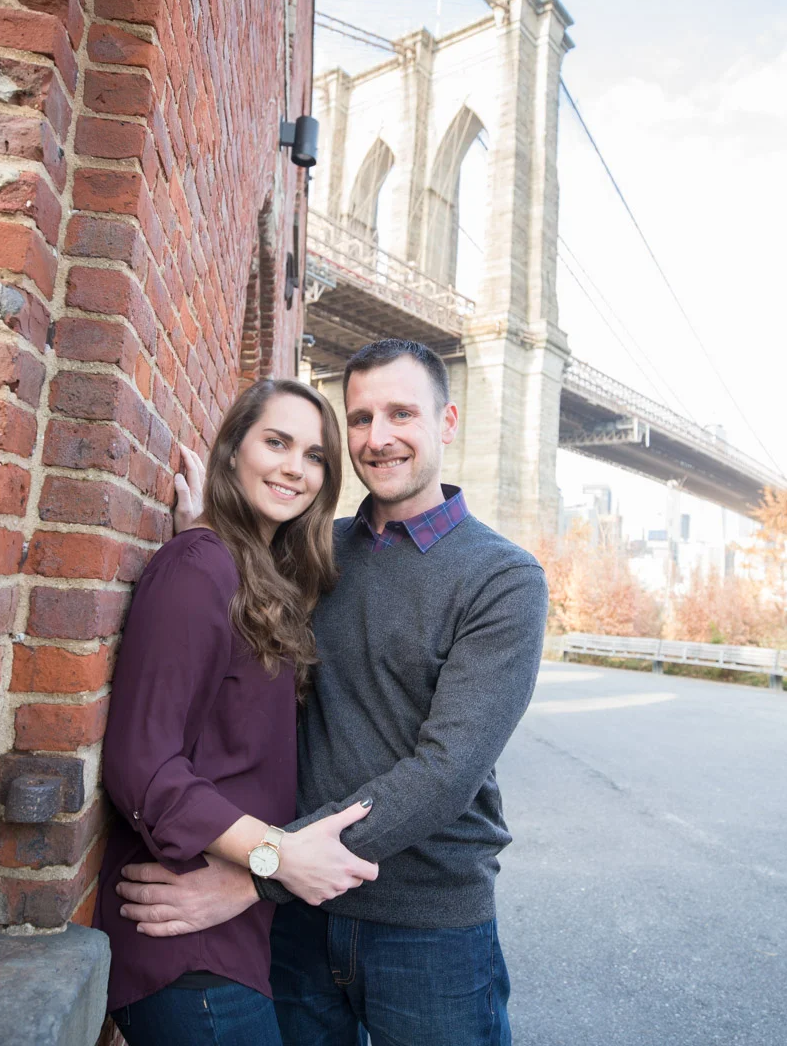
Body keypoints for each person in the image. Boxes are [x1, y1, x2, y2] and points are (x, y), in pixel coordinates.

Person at [116, 339, 549, 1046]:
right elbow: (235, 608)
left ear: (447, 422)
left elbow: (445, 774)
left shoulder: (502, 579)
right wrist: (205, 535)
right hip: (299, 929)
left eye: (402, 414)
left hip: (424, 928)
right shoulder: (314, 554)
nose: (378, 438)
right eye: (361, 419)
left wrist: (260, 877)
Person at [95, 377, 380, 1046]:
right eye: (276, 442)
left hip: (233, 936)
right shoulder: (200, 568)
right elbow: (142, 767)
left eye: (315, 456)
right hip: (185, 944)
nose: (295, 468)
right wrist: (278, 857)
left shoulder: (244, 573)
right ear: (231, 452)